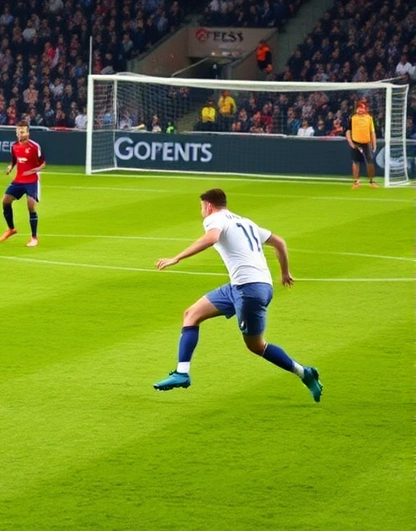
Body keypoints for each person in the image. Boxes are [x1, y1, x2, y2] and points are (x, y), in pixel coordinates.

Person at [153, 188, 323, 402]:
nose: (201, 212)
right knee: (191, 314)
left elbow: (212, 237)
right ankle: (182, 373)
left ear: (209, 206)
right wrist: (285, 272)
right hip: (243, 286)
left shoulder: (214, 219)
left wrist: (177, 258)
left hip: (250, 291)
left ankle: (304, 373)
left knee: (256, 345)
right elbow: (279, 242)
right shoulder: (246, 222)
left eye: (201, 207)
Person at [0, 121, 46, 247]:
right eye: (18, 131)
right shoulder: (14, 146)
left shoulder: (34, 147)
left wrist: (36, 171)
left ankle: (34, 238)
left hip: (31, 181)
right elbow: (14, 160)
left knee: (31, 206)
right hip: (19, 180)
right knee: (5, 201)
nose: (20, 134)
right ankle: (11, 229)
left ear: (28, 132)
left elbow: (43, 163)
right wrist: (10, 167)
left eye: (23, 131)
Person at [345, 99, 378, 188]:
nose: (360, 110)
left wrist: (374, 144)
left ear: (365, 109)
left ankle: (372, 181)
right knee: (355, 162)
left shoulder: (369, 118)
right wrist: (350, 142)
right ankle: (356, 182)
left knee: (370, 162)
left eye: (362, 108)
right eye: (359, 108)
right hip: (356, 142)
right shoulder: (352, 118)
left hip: (366, 142)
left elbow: (372, 132)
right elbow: (348, 131)